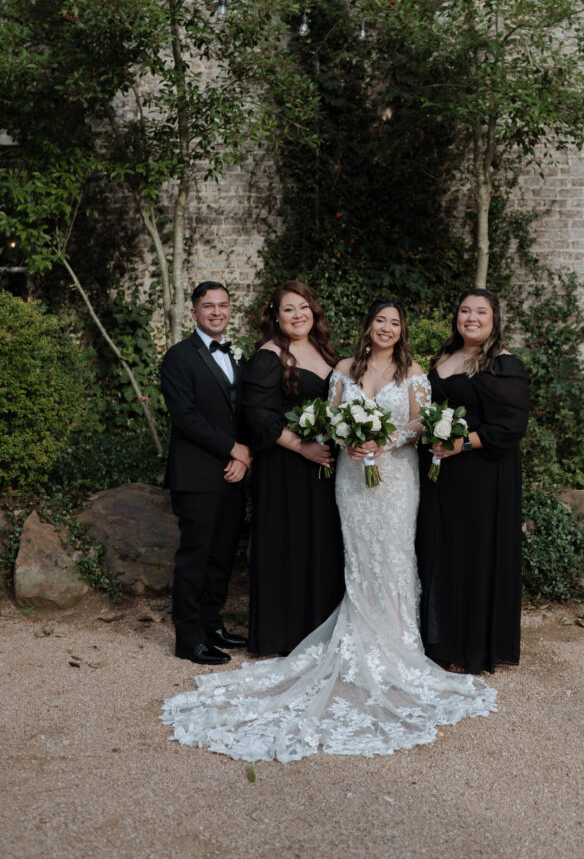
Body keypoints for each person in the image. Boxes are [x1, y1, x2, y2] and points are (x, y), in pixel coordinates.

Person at [161, 297, 496, 763]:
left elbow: (420, 422)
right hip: (352, 478)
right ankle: (355, 639)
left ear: (402, 331)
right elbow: (334, 418)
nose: (386, 328)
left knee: (396, 555)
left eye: (394, 323)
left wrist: (387, 438)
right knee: (358, 557)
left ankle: (398, 647)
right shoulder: (343, 366)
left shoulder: (414, 370)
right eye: (379, 320)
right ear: (368, 326)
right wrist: (351, 439)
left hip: (397, 478)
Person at [416, 289, 530, 676]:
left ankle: (469, 646)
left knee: (471, 553)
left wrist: (461, 443)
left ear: (494, 319)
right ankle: (439, 638)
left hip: (482, 476)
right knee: (440, 550)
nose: (472, 317)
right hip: (439, 475)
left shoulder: (503, 364)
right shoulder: (444, 359)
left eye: (481, 312)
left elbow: (511, 428)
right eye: (465, 310)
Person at [241, 281, 344, 656]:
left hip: (324, 466)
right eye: (288, 309)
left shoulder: (326, 353)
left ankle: (317, 630)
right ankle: (281, 635)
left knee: (320, 545)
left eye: (303, 307)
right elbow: (257, 416)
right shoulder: (269, 356)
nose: (297, 314)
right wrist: (304, 448)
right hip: (285, 467)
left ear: (314, 312)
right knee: (288, 542)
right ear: (276, 316)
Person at [160, 281, 252, 665]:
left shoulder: (237, 355)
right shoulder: (178, 357)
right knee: (195, 556)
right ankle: (188, 637)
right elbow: (186, 418)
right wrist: (233, 448)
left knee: (222, 555)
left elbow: (244, 412)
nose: (217, 312)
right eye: (208, 306)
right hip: (197, 475)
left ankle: (212, 624)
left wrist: (242, 458)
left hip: (233, 473)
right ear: (194, 312)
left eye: (223, 305)